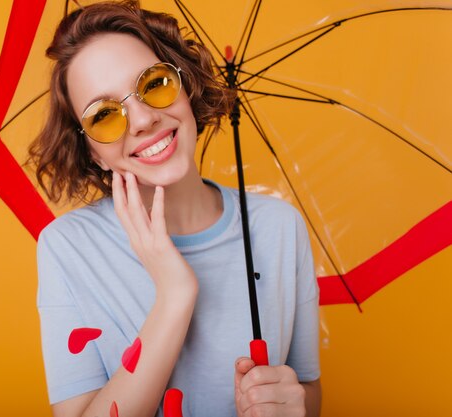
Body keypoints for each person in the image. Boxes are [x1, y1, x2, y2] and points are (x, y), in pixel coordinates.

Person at [27, 1, 321, 416]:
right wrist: (174, 293)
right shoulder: (67, 248)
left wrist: (295, 404)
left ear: (186, 86)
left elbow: (307, 387)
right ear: (92, 152)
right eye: (105, 115)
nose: (143, 120)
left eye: (154, 84)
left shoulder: (279, 228)